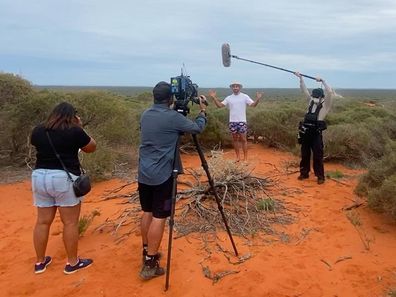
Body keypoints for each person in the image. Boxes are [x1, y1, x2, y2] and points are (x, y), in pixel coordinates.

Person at [138, 81, 208, 280]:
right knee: (160, 217)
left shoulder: (145, 114)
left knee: (147, 212)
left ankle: (146, 250)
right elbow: (196, 128)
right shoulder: (172, 117)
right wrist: (202, 112)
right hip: (163, 175)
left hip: (144, 173)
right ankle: (151, 263)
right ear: (170, 98)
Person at [30, 102, 96, 274]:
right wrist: (80, 127)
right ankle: (72, 263)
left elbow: (36, 145)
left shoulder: (38, 130)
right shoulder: (74, 130)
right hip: (63, 178)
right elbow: (91, 147)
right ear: (72, 116)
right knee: (70, 222)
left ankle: (39, 262)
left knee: (42, 222)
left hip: (39, 177)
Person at [294, 72, 335, 184]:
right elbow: (304, 90)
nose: (314, 98)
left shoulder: (325, 105)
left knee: (318, 155)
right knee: (305, 154)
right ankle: (304, 173)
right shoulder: (310, 101)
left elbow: (330, 92)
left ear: (322, 97)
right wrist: (301, 79)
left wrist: (323, 81)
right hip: (305, 132)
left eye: (317, 96)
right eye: (313, 96)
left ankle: (320, 176)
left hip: (316, 134)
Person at [208, 82, 263, 162]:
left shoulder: (245, 96)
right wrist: (214, 98)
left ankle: (245, 159)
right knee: (235, 140)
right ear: (232, 88)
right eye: (234, 86)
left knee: (243, 139)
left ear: (240, 88)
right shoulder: (229, 98)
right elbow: (220, 106)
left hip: (242, 121)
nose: (235, 88)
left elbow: (253, 105)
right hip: (232, 122)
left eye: (237, 86)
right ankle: (237, 157)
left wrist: (258, 99)